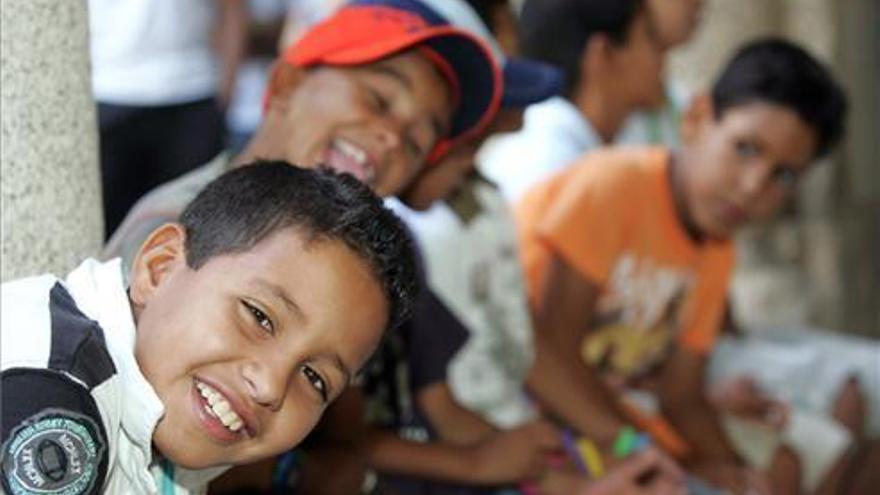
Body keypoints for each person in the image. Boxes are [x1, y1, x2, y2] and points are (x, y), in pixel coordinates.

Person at [514, 38, 851, 494]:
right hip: (538, 417)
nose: (754, 186)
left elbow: (682, 392)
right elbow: (551, 349)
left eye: (784, 175)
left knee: (775, 472)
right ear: (695, 118)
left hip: (618, 421)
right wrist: (649, 451)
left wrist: (731, 469)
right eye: (746, 149)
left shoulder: (717, 247)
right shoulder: (615, 185)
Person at [0, 162, 417, 494]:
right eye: (260, 316)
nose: (270, 385)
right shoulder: (50, 393)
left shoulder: (164, 411)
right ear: (159, 268)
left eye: (315, 378)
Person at [103, 0, 502, 268]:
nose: (394, 139)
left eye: (418, 142)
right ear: (287, 84)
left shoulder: (350, 264)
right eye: (378, 100)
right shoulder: (179, 233)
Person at [479, 0, 666, 202]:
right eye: (651, 37)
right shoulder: (548, 162)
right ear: (604, 52)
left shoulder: (577, 147)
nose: (663, 55)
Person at [88, 0, 248, 237]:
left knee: (196, 229)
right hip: (108, 88)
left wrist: (226, 86)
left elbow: (233, 9)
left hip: (191, 89)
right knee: (105, 229)